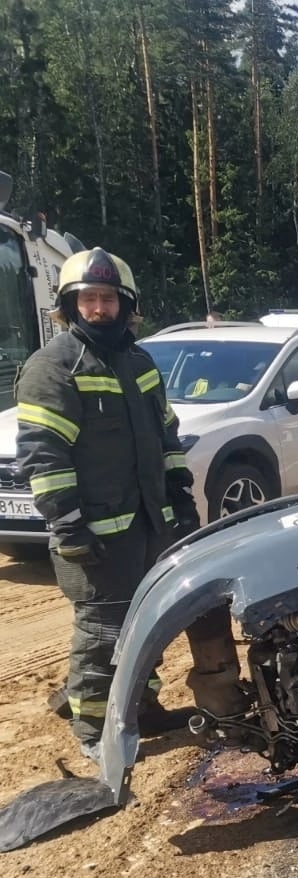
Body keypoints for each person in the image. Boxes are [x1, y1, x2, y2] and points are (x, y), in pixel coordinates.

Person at [16, 247, 242, 762]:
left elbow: (166, 435)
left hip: (151, 526)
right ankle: (96, 732)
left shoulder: (139, 362)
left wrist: (180, 495)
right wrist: (69, 525)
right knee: (103, 635)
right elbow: (42, 456)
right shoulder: (52, 368)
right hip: (96, 535)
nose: (98, 309)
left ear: (125, 304)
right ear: (70, 306)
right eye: (88, 299)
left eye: (107, 299)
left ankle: (141, 705)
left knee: (152, 622)